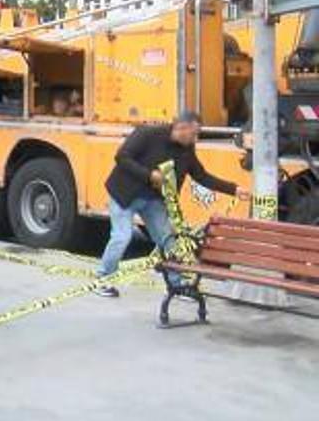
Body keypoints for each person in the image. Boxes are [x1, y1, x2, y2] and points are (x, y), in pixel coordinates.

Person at [94, 112, 251, 298]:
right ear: (181, 128)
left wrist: (234, 189)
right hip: (124, 195)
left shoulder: (187, 148)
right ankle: (103, 279)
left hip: (153, 200)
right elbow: (122, 157)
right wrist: (149, 175)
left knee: (168, 239)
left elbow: (201, 175)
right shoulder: (148, 133)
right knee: (122, 236)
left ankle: (178, 285)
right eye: (194, 133)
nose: (196, 138)